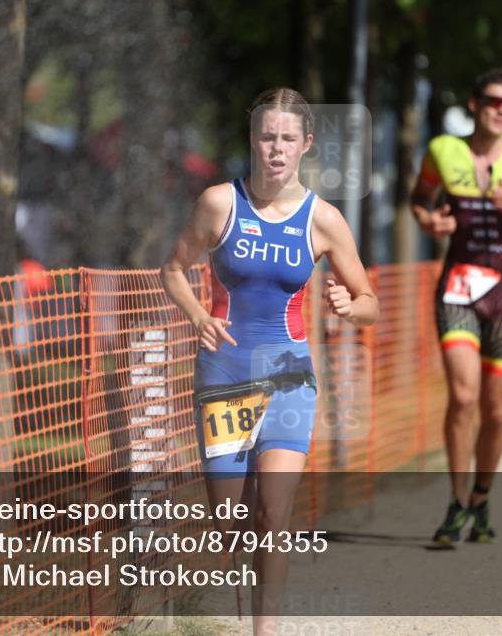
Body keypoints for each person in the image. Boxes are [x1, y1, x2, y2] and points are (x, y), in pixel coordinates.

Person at [160, 88, 378, 634]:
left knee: (273, 514)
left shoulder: (323, 219)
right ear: (253, 140)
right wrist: (197, 316)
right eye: (266, 136)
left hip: (288, 377)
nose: (275, 149)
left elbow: (371, 301)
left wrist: (352, 306)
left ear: (305, 144)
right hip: (225, 374)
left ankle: (266, 630)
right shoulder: (218, 203)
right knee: (231, 526)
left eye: (287, 138)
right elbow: (172, 269)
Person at [409, 68, 502, 548]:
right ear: (474, 103)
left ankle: (482, 497)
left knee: (496, 410)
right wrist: (431, 221)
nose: (501, 110)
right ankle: (455, 501)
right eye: (493, 100)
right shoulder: (442, 151)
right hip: (458, 287)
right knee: (464, 397)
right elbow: (419, 200)